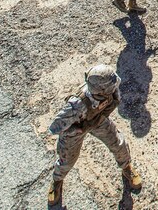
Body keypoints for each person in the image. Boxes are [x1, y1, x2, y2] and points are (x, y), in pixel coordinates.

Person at [46, 64, 142, 207]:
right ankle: (57, 181)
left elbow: (113, 102)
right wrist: (76, 129)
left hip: (98, 121)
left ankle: (126, 167)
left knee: (118, 143)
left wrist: (100, 117)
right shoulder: (76, 104)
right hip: (76, 131)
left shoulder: (111, 89)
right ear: (101, 90)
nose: (116, 83)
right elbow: (55, 127)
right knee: (67, 159)